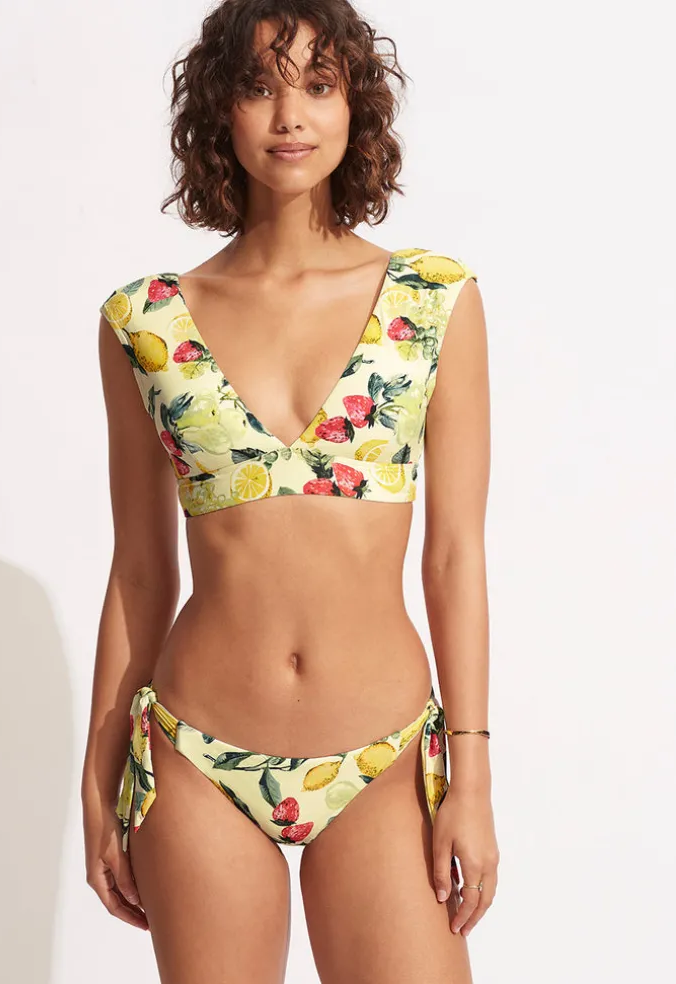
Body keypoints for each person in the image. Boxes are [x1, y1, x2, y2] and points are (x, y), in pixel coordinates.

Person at [82, 2, 498, 981]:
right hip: (195, 757)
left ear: (357, 106)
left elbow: (453, 556)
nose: (289, 116)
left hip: (385, 758)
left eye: (317, 84)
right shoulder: (146, 322)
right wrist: (97, 783)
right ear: (216, 111)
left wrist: (471, 773)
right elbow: (139, 571)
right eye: (258, 87)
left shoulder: (432, 300)